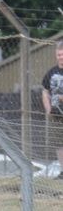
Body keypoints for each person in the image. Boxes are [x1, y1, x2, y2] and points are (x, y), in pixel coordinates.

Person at [41, 40, 63, 169]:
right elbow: (45, 91)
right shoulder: (51, 72)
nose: (61, 57)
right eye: (59, 55)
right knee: (59, 144)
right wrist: (48, 109)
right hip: (57, 115)